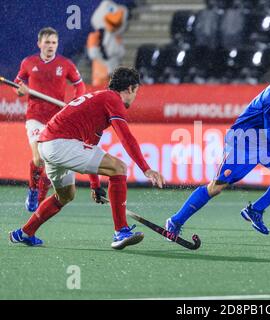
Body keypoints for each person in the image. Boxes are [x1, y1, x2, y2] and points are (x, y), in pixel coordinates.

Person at [9, 67, 165, 250]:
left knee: (65, 195)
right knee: (119, 168)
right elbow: (126, 137)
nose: (135, 96)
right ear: (130, 88)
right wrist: (146, 168)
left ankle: (25, 232)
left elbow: (90, 145)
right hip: (60, 143)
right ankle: (121, 231)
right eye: (136, 91)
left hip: (47, 145)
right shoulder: (113, 100)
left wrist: (95, 185)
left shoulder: (100, 100)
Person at [166, 53, 270, 236]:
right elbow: (268, 134)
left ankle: (255, 210)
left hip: (262, 141)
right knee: (216, 187)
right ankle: (175, 221)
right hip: (243, 140)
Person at [14, 27, 86, 212]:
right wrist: (19, 90)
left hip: (56, 120)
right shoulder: (28, 62)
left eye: (54, 43)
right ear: (39, 44)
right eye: (47, 42)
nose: (50, 46)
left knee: (50, 161)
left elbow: (80, 86)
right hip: (35, 117)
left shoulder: (66, 64)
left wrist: (75, 102)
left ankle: (39, 196)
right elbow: (18, 85)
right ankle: (32, 189)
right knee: (38, 159)